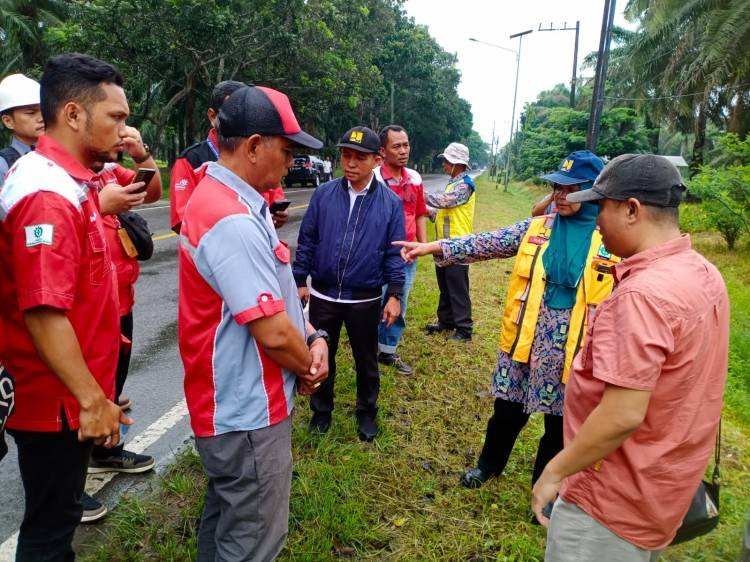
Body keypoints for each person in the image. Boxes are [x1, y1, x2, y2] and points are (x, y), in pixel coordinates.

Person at [532, 154, 730, 561]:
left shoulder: (641, 297)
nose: (596, 219)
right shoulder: (703, 273)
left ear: (632, 210)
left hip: (609, 502)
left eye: (601, 206)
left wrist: (555, 470)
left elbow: (622, 414)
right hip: (661, 490)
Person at [396, 151, 618, 495]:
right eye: (556, 188)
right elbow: (487, 243)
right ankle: (488, 465)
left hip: (573, 353)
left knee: (559, 426)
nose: (558, 195)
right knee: (507, 412)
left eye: (569, 189)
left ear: (592, 193)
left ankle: (544, 488)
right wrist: (434, 247)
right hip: (525, 342)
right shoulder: (539, 228)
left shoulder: (612, 241)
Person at [178, 84, 328, 561]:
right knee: (254, 542)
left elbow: (280, 300)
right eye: (287, 151)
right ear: (254, 145)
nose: (291, 164)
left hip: (232, 410)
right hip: (247, 414)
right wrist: (309, 365)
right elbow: (272, 332)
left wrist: (313, 335)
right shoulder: (232, 220)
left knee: (227, 523)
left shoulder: (231, 199)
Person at [0, 52, 130, 561]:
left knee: (59, 521)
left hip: (69, 394)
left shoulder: (67, 180)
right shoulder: (46, 194)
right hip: (54, 402)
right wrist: (90, 400)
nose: (123, 129)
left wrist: (98, 392)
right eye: (114, 117)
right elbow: (43, 311)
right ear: (74, 114)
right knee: (50, 533)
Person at [293, 126, 405, 441]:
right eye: (346, 155)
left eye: (360, 157)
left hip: (365, 299)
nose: (351, 163)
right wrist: (300, 278)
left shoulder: (390, 204)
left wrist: (394, 294)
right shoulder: (324, 194)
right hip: (324, 295)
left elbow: (395, 252)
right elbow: (308, 240)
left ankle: (366, 413)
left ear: (376, 159)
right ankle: (321, 412)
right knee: (319, 354)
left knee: (366, 360)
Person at [76, 127, 163, 522]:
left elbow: (152, 192)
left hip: (120, 301)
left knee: (113, 384)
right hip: (90, 309)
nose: (118, 130)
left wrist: (142, 157)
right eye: (113, 120)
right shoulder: (60, 179)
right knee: (85, 393)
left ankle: (104, 451)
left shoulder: (109, 170)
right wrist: (98, 204)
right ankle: (67, 488)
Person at [170, 80, 288, 233]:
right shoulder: (190, 160)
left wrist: (278, 216)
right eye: (233, 114)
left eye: (247, 114)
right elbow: (182, 220)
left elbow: (276, 200)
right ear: (213, 116)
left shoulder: (259, 152)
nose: (242, 121)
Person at [374, 125, 428, 375]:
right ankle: (367, 344)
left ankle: (387, 350)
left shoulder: (415, 179)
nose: (403, 150)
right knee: (374, 300)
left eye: (406, 145)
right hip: (377, 254)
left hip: (407, 255)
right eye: (397, 146)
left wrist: (423, 246)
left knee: (399, 302)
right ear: (383, 151)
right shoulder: (374, 179)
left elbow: (419, 214)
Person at [424, 142, 476, 341]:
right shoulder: (453, 183)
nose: (444, 164)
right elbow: (443, 213)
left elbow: (445, 201)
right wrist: (428, 212)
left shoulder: (465, 185)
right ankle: (445, 322)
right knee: (445, 286)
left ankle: (464, 329)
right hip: (443, 246)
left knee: (457, 289)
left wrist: (418, 193)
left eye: (446, 161)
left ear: (457, 163)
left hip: (458, 246)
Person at [0, 74, 44, 185]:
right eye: (31, 113)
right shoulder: (4, 164)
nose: (41, 118)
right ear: (8, 121)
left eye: (43, 111)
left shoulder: (59, 152)